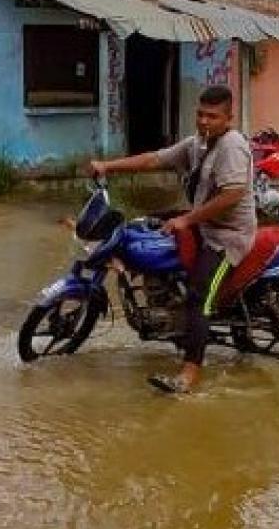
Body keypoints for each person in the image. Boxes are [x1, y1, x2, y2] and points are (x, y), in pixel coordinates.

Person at [89, 84, 256, 395]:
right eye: (201, 114)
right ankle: (162, 299)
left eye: (213, 116)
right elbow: (155, 159)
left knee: (198, 295)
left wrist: (186, 220)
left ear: (229, 118)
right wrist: (108, 166)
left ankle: (189, 374)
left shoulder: (232, 146)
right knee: (143, 227)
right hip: (204, 223)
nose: (204, 121)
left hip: (227, 236)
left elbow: (233, 195)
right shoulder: (199, 144)